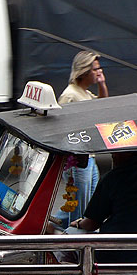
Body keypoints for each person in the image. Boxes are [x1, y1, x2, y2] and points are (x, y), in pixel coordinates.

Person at [50, 50, 109, 228]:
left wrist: (102, 84)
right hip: (78, 161)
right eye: (95, 70)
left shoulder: (84, 93)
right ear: (83, 71)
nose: (98, 73)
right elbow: (60, 125)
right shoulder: (71, 94)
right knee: (79, 208)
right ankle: (55, 230)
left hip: (89, 157)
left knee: (88, 205)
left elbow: (104, 106)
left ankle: (56, 227)